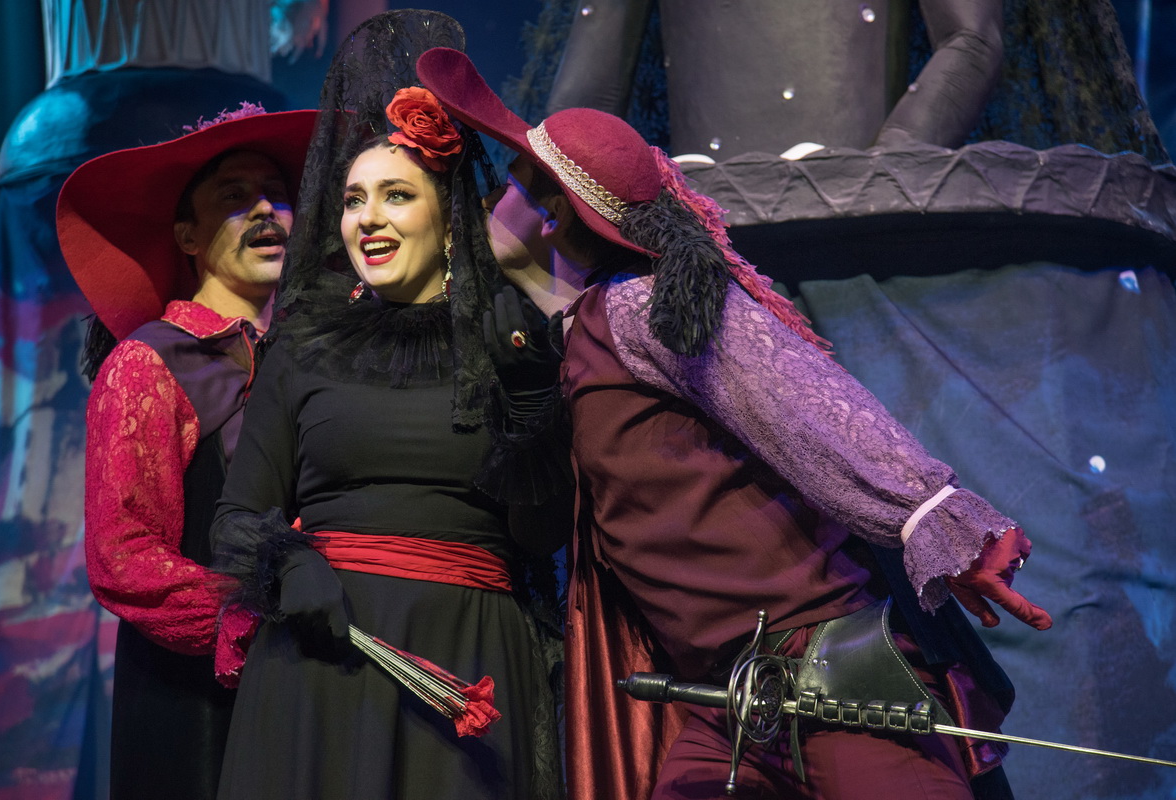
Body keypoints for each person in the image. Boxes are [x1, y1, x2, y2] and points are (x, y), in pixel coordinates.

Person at [419, 47, 1054, 800]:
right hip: (734, 704)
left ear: (553, 213)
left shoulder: (640, 308)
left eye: (511, 185)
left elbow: (806, 402)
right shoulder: (575, 342)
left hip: (827, 676)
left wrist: (931, 514)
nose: (492, 201)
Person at [208, 11, 566, 800]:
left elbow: (542, 539)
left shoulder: (507, 340)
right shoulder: (304, 345)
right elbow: (236, 518)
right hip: (321, 660)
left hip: (466, 661)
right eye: (352, 199)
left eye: (395, 195)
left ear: (448, 220)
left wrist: (532, 399)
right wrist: (287, 562)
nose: (366, 218)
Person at [55, 104, 317, 798]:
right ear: (188, 235)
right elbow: (123, 555)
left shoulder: (318, 359)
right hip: (196, 702)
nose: (264, 210)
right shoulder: (150, 364)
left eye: (277, 194)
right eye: (234, 196)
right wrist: (253, 615)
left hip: (315, 685)